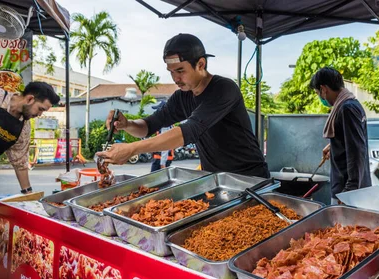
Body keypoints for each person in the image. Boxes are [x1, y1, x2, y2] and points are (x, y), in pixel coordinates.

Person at [98, 33, 269, 178]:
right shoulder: (182, 97)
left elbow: (187, 132)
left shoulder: (223, 88)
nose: (175, 78)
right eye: (171, 72)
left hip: (250, 177)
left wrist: (132, 149)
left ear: (200, 64)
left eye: (180, 71)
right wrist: (127, 124)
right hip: (217, 180)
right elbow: (149, 126)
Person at [311, 67, 371, 203]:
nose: (320, 97)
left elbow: (357, 151)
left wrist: (349, 190)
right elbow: (353, 141)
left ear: (323, 89)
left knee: (345, 225)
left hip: (347, 191)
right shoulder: (352, 104)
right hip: (349, 189)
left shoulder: (347, 108)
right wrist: (334, 145)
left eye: (317, 93)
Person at [149, 101, 174, 172]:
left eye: (158, 111)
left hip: (160, 159)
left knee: (153, 181)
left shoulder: (165, 126)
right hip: (162, 158)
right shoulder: (167, 124)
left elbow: (165, 144)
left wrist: (163, 163)